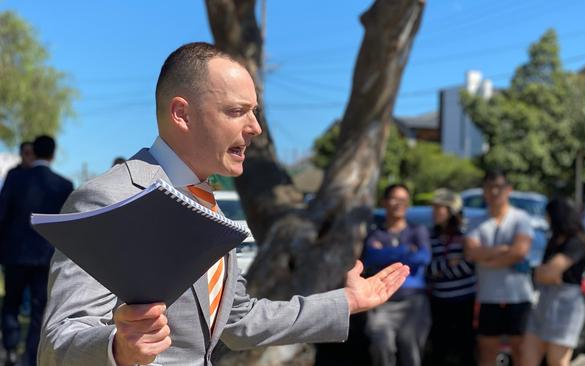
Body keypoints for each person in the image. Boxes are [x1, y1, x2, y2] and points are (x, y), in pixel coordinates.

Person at [38, 42, 410, 366]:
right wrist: (118, 349)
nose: (255, 127)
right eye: (236, 111)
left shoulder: (206, 202)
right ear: (181, 114)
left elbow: (238, 318)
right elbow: (59, 344)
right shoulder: (110, 198)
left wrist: (345, 302)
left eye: (255, 112)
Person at [0, 135, 73, 366]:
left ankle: (10, 349)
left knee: (11, 303)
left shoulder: (15, 178)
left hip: (14, 254)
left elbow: (2, 214)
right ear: (52, 154)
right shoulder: (64, 185)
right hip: (46, 257)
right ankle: (30, 357)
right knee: (40, 309)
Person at [464, 170, 534, 366]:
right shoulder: (476, 221)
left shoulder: (521, 218)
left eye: (499, 187)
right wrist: (504, 250)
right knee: (487, 352)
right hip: (488, 297)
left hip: (519, 296)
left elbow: (520, 251)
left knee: (521, 351)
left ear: (508, 190)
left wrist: (489, 260)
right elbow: (471, 252)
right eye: (489, 187)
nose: (494, 192)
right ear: (484, 191)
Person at [362, 184, 431, 366]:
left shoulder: (418, 231)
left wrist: (386, 253)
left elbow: (423, 257)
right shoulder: (375, 233)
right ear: (384, 202)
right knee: (381, 347)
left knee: (411, 349)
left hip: (414, 301)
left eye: (403, 200)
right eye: (394, 199)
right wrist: (406, 251)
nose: (398, 204)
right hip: (382, 302)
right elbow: (370, 257)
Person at [522, 197, 585, 366]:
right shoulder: (554, 239)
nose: (546, 219)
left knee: (557, 360)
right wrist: (547, 273)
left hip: (566, 306)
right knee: (528, 356)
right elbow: (543, 274)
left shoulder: (577, 241)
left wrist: (547, 273)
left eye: (548, 215)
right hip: (544, 300)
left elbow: (549, 272)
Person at [427, 188, 476, 366]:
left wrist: (442, 269)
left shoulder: (464, 236)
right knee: (439, 349)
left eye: (438, 208)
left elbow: (470, 266)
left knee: (465, 349)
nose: (434, 212)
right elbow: (428, 269)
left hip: (465, 300)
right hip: (439, 301)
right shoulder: (430, 236)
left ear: (450, 211)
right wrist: (450, 263)